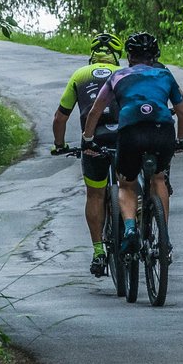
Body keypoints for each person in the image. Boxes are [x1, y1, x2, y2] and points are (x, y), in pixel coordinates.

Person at [82, 33, 183, 255]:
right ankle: (163, 238)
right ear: (155, 56)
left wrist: (88, 140)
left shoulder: (118, 76)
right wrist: (180, 140)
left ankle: (130, 228)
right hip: (162, 131)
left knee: (126, 184)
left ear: (129, 56)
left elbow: (95, 111)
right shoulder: (165, 75)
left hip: (131, 132)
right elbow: (182, 113)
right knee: (158, 178)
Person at [50, 33, 124, 277]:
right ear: (117, 54)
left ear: (92, 55)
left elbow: (60, 117)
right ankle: (132, 229)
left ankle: (98, 251)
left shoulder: (80, 75)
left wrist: (60, 144)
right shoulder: (125, 74)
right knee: (129, 187)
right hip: (124, 139)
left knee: (95, 194)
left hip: (94, 141)